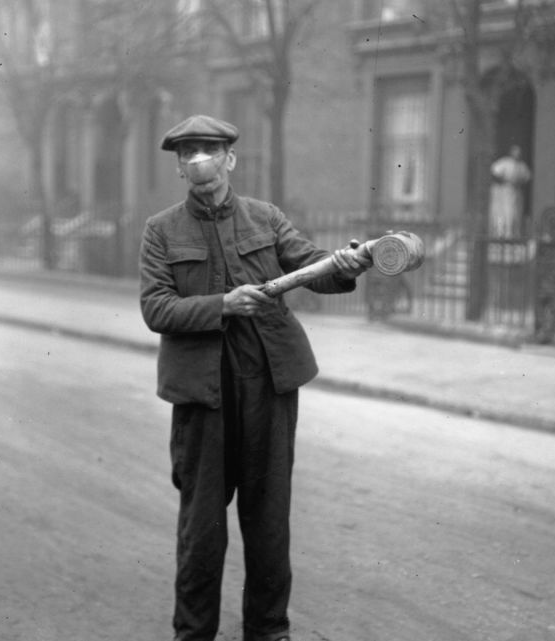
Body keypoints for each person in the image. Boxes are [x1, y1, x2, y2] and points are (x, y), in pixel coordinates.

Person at [138, 114, 371, 641]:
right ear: (179, 166)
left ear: (230, 159)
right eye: (188, 152)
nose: (199, 159)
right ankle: (193, 634)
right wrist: (222, 304)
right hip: (203, 394)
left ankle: (269, 632)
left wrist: (351, 262)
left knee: (269, 524)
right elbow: (156, 308)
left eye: (209, 150)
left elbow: (313, 264)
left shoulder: (265, 219)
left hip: (267, 386)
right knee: (202, 531)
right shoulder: (161, 230)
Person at [488, 144, 532, 238]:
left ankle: (513, 233)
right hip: (504, 191)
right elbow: (494, 171)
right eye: (515, 152)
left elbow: (527, 177)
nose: (517, 154)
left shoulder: (521, 165)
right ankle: (501, 233)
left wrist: (519, 182)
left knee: (516, 212)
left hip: (516, 191)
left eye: (519, 152)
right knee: (504, 211)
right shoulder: (504, 162)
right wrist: (503, 181)